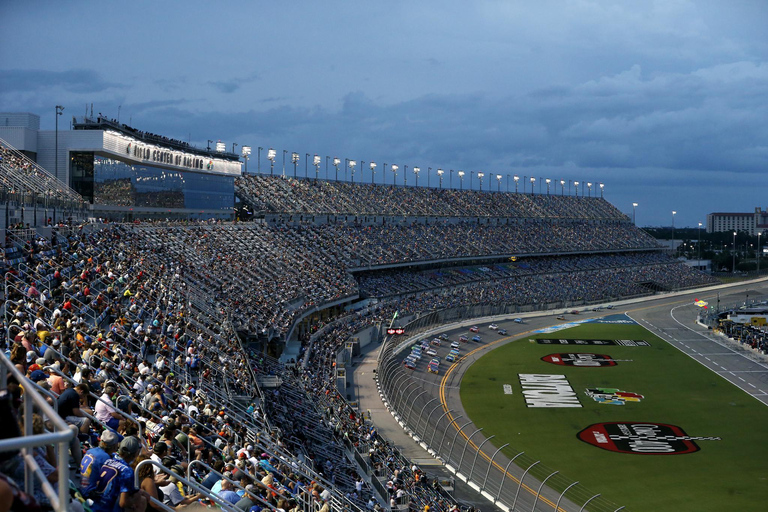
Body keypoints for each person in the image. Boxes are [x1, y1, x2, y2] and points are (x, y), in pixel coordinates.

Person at [89, 436, 145, 512]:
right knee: (141, 499)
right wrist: (135, 500)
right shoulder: (127, 471)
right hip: (107, 508)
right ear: (135, 453)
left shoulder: (109, 460)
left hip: (95, 503)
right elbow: (123, 503)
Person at [80, 430, 120, 498]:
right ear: (114, 446)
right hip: (90, 493)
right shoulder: (105, 458)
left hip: (82, 488)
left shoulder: (90, 451)